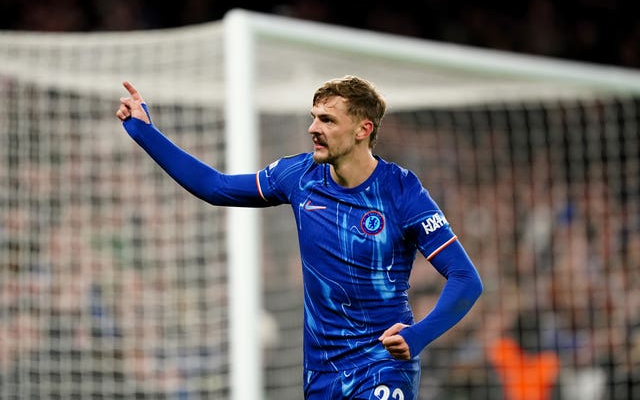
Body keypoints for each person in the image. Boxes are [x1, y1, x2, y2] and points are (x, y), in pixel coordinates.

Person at [115, 75, 483, 400]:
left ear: (362, 129)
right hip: (322, 371)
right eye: (313, 117)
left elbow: (466, 279)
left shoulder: (402, 191)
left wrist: (417, 337)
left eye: (326, 119)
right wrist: (145, 132)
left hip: (381, 365)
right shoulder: (299, 176)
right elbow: (216, 186)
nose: (312, 128)